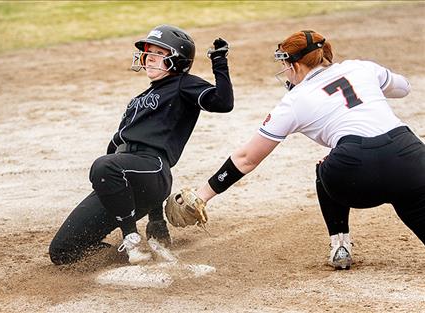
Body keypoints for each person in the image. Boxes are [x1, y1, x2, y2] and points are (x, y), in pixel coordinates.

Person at [170, 30, 424, 270]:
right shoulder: (360, 67)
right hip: (410, 156)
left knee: (325, 165)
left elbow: (247, 159)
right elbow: (403, 88)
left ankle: (340, 246)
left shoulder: (294, 101)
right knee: (406, 192)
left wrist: (202, 196)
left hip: (355, 174)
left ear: (294, 65)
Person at [49, 24, 234, 265]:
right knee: (62, 252)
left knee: (103, 165)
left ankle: (131, 238)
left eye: (158, 53)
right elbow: (114, 147)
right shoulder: (137, 101)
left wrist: (219, 62)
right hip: (121, 178)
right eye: (148, 52)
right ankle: (117, 255)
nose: (149, 58)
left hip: (153, 172)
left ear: (176, 60)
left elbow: (223, 102)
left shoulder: (182, 84)